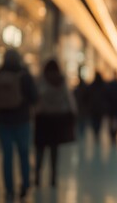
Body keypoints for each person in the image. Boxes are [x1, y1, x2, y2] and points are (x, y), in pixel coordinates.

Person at [0, 49, 38, 201]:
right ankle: (25, 184)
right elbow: (34, 97)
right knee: (23, 154)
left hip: (2, 122)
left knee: (7, 156)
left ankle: (9, 189)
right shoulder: (24, 76)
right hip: (22, 121)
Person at [34, 59, 77, 187]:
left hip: (42, 119)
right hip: (56, 120)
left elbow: (36, 99)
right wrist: (72, 113)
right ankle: (53, 177)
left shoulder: (42, 81)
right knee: (54, 151)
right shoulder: (61, 82)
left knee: (40, 150)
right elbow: (69, 101)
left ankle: (37, 176)